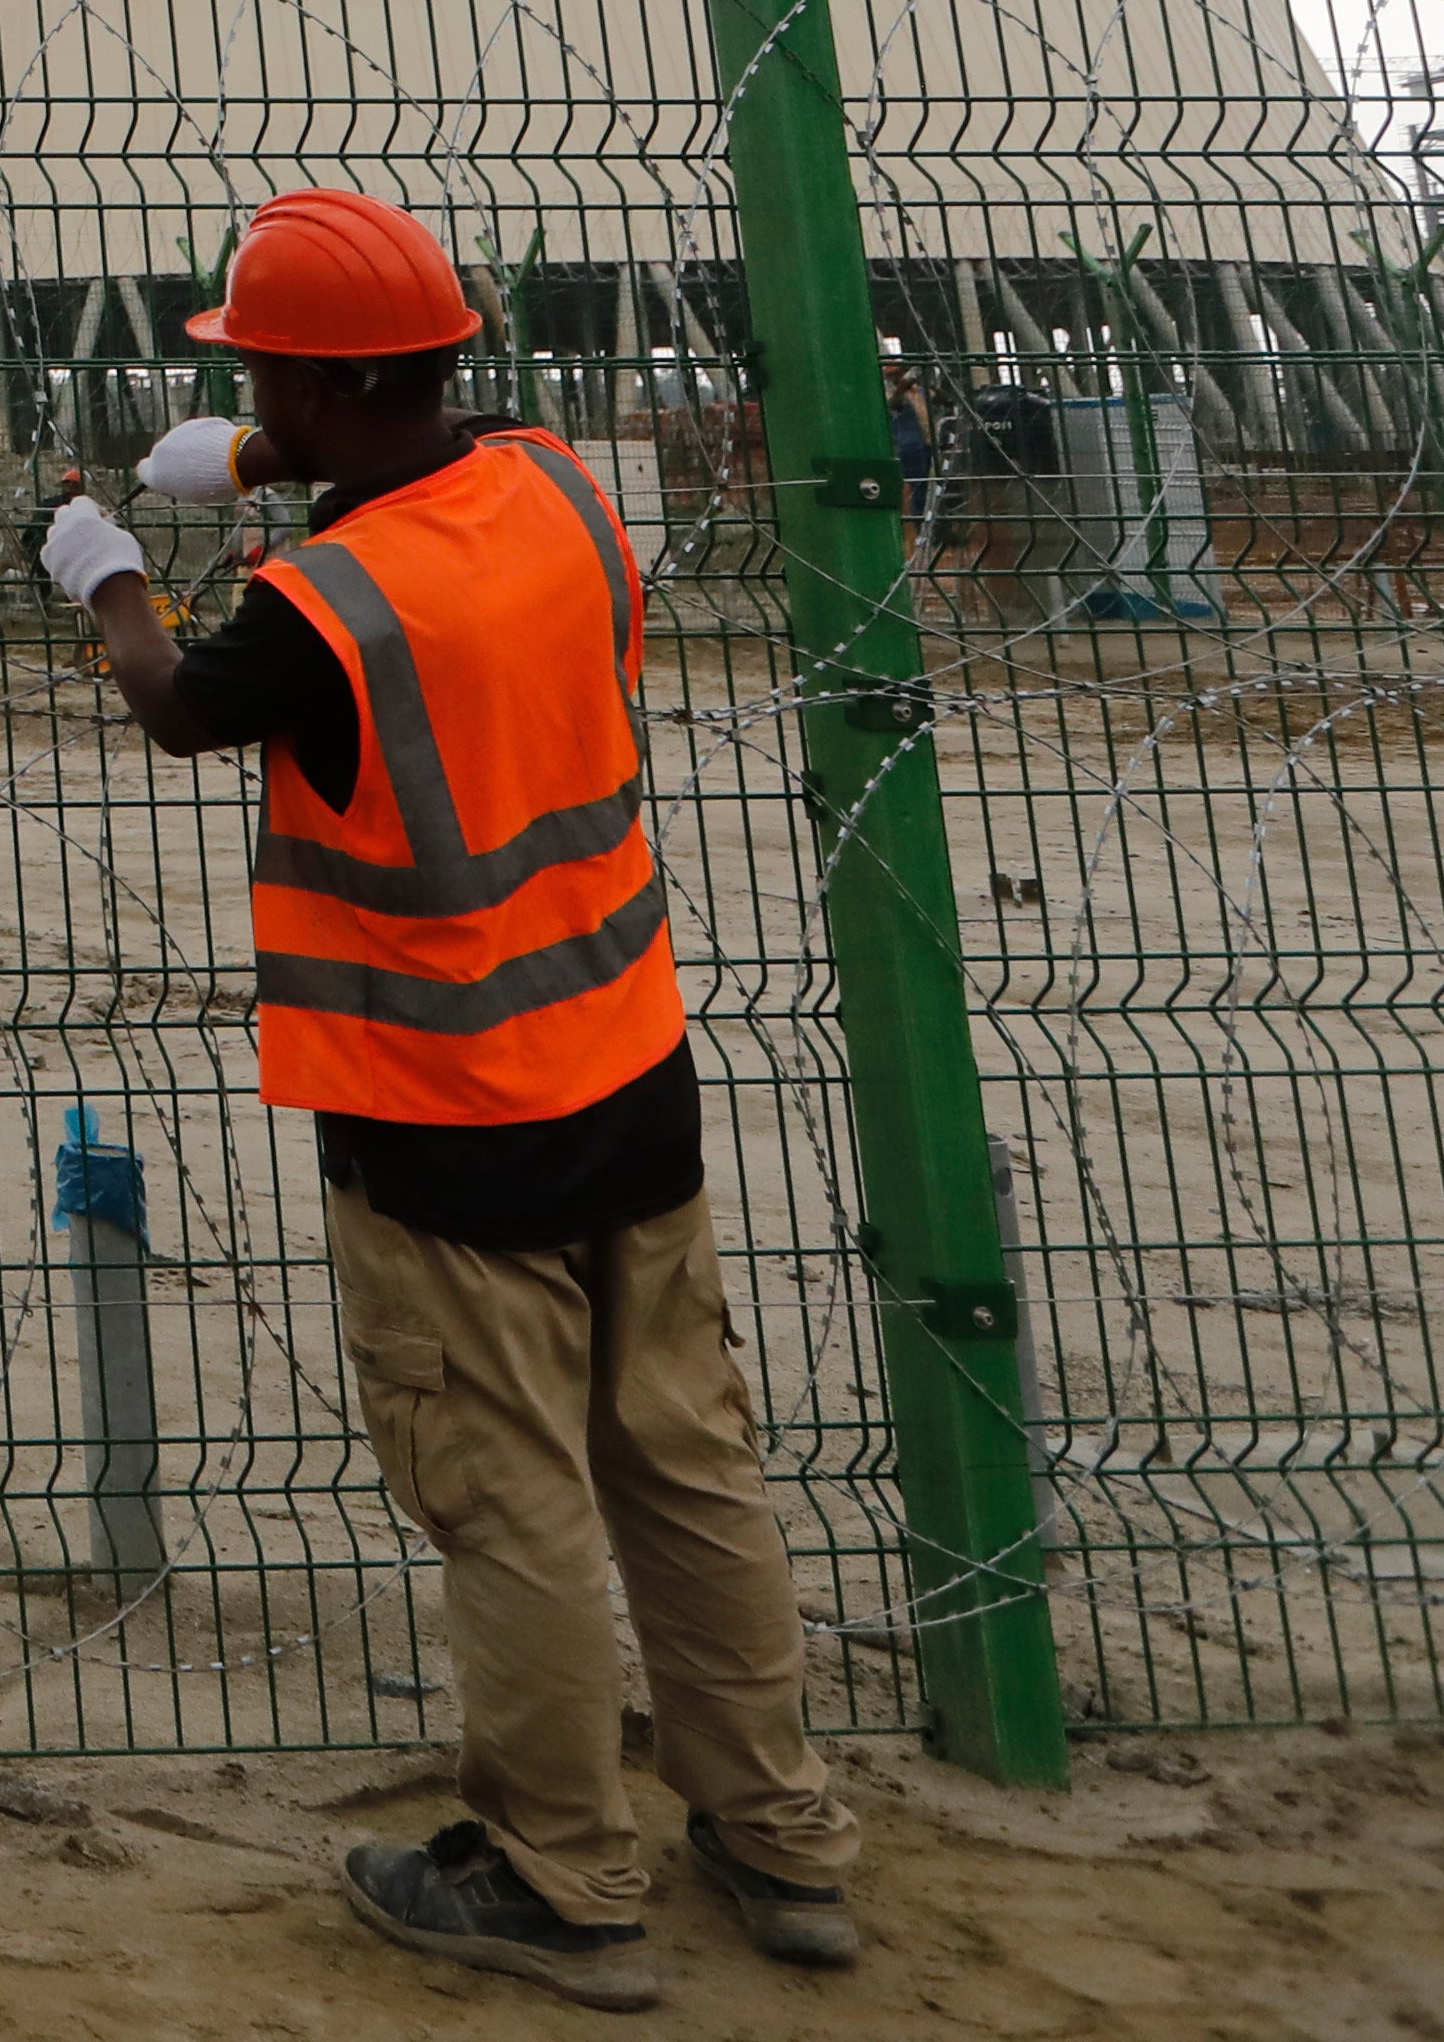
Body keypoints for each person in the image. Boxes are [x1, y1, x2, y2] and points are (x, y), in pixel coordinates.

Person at [44, 187, 868, 2009]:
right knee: (687, 1463)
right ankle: (782, 1835)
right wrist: (267, 447)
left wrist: (106, 566)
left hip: (444, 1125)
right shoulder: (564, 487)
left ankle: (563, 1880)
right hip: (630, 1072)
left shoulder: (320, 605)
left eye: (262, 366)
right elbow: (439, 442)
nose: (247, 382)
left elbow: (182, 704)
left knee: (511, 1505)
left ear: (324, 387)